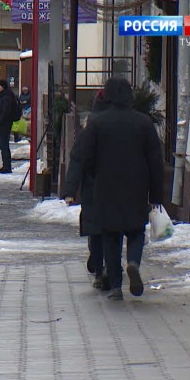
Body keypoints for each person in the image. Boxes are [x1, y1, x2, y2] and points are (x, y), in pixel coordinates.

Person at [82, 77, 164, 301]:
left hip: (106, 186)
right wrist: (156, 194)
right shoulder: (143, 122)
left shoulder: (98, 123)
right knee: (136, 230)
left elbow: (86, 156)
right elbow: (155, 160)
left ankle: (116, 287)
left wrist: (95, 176)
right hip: (137, 185)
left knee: (110, 235)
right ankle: (134, 263)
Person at [62, 89, 114, 291]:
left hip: (92, 189)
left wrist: (70, 189)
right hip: (117, 188)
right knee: (113, 230)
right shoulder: (121, 129)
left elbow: (76, 161)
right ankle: (111, 267)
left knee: (96, 231)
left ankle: (99, 270)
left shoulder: (88, 131)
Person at [0, 80, 17, 174]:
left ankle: (7, 166)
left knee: (4, 145)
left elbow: (5, 112)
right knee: (3, 146)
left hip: (4, 125)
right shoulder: (1, 96)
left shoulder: (6, 97)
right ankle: (5, 165)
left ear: (3, 87)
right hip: (2, 124)